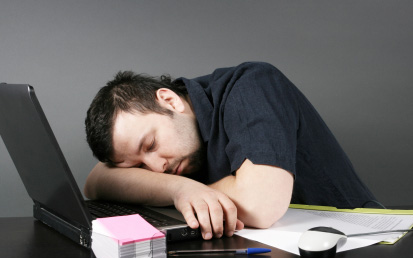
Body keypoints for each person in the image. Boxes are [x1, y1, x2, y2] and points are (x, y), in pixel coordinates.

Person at [84, 62, 378, 240]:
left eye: (150, 145)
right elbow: (96, 181)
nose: (156, 168)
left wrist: (182, 190)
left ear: (170, 101)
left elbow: (261, 205)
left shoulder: (252, 86)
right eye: (139, 167)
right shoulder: (175, 153)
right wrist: (179, 189)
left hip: (356, 243)